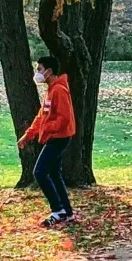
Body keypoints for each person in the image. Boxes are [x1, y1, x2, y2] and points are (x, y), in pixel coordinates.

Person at [18, 55, 76, 227]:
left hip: (59, 138)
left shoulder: (59, 90)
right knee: (54, 174)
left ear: (49, 71)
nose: (37, 73)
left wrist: (47, 129)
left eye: (39, 69)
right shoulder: (50, 90)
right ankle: (67, 212)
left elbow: (64, 118)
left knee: (40, 172)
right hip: (54, 137)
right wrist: (28, 135)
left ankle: (57, 210)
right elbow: (41, 116)